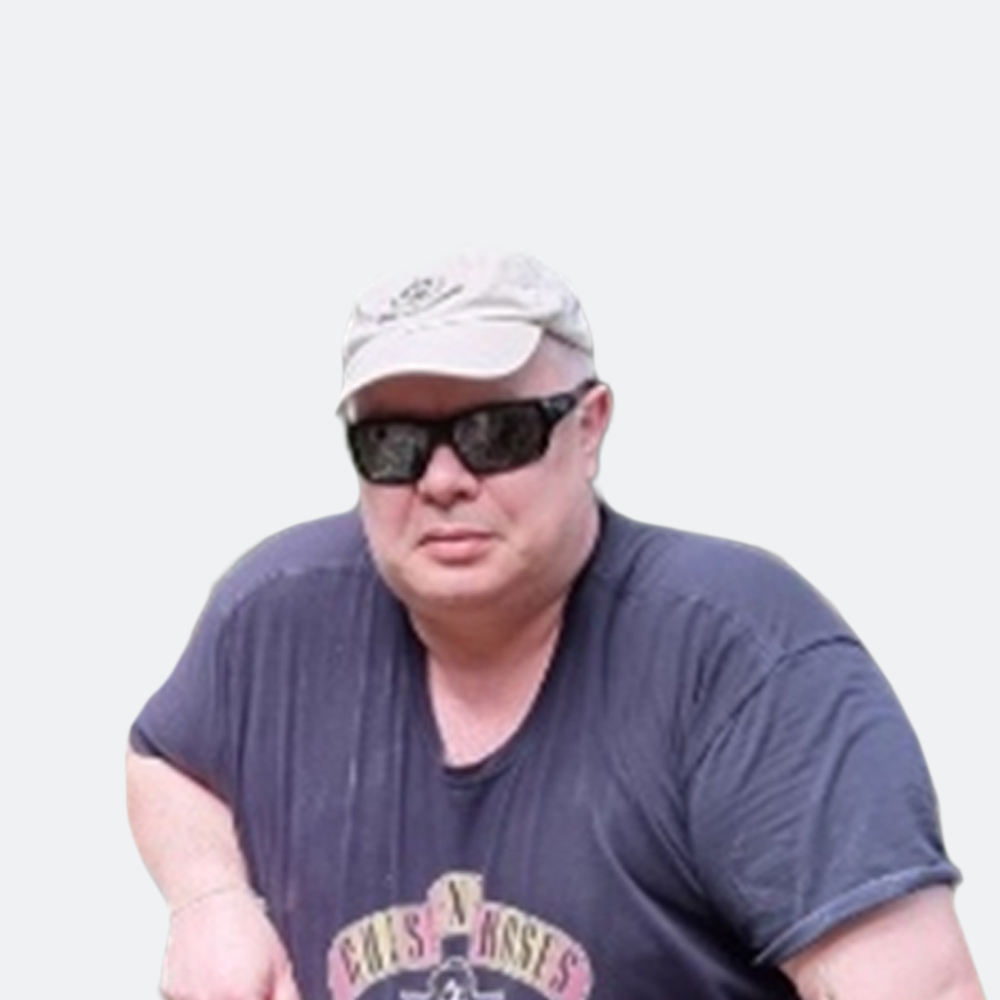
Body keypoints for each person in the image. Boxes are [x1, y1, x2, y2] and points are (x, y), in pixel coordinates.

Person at [126, 249, 984, 1000]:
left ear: (590, 426)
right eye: (392, 442)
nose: (442, 479)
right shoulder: (275, 616)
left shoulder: (744, 657)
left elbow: (919, 987)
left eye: (496, 432)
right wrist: (210, 901)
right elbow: (167, 759)